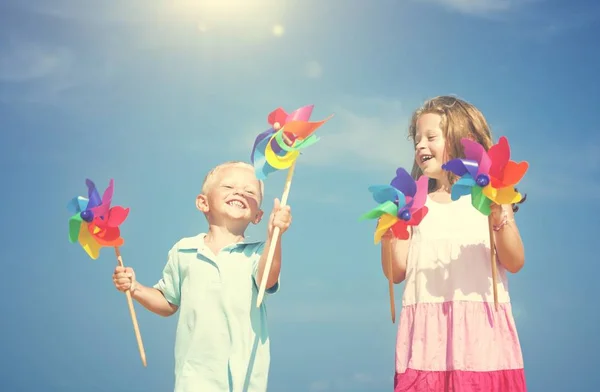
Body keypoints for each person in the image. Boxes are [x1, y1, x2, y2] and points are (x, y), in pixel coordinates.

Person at [383, 96, 527, 391]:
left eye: (430, 137)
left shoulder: (489, 199)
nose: (420, 146)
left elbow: (514, 261)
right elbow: (395, 272)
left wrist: (500, 216)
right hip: (427, 342)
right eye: (417, 140)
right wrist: (389, 234)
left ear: (462, 139)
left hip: (482, 341)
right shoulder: (411, 205)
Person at [112, 161, 292, 392]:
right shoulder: (183, 250)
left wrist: (274, 236)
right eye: (228, 187)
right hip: (194, 377)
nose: (239, 192)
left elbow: (267, 277)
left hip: (243, 379)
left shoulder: (258, 253)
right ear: (203, 202)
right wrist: (135, 288)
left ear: (258, 215)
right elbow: (168, 302)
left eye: (250, 191)